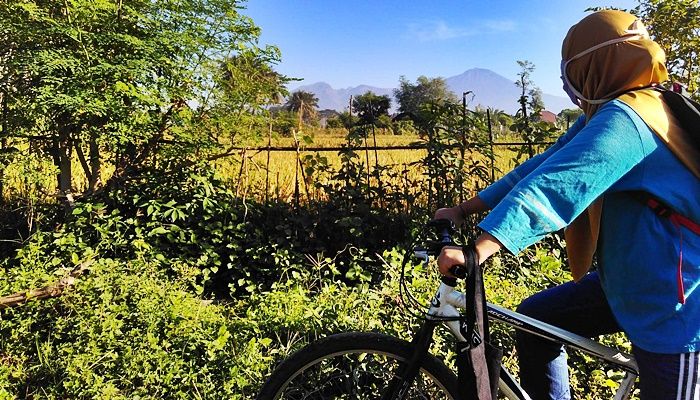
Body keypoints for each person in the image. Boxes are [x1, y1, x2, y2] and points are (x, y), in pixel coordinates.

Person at [435, 10, 699, 400]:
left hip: (673, 304)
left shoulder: (633, 117)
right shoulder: (616, 108)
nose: (568, 84)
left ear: (596, 65)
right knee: (535, 322)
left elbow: (560, 185)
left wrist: (481, 248)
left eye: (571, 71)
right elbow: (544, 165)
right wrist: (466, 208)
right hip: (629, 283)